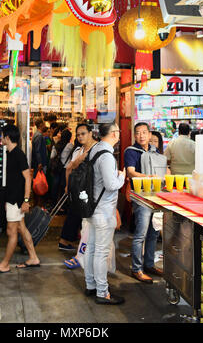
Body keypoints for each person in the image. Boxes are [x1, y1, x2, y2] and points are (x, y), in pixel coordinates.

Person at [0, 124, 40, 275]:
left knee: (11, 232)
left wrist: (26, 201)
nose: (0, 138)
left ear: (7, 138)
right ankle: (33, 257)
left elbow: (28, 178)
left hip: (17, 201)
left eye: (2, 136)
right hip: (12, 199)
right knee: (21, 228)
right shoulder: (10, 153)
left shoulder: (18, 154)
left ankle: (4, 264)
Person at [84, 122, 125, 305]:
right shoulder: (107, 155)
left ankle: (90, 284)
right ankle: (102, 292)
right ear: (115, 134)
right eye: (118, 131)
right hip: (104, 210)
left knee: (91, 248)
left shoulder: (95, 149)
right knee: (100, 251)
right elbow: (111, 185)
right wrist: (122, 177)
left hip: (93, 208)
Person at [124, 122, 162, 283]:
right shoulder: (131, 151)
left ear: (149, 134)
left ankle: (149, 264)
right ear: (134, 135)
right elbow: (131, 172)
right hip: (140, 197)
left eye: (144, 133)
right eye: (138, 133)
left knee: (153, 233)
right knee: (140, 234)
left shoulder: (154, 151)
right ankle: (136, 269)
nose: (141, 136)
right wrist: (148, 178)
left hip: (155, 196)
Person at [58, 123, 97, 251]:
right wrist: (68, 186)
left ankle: (75, 242)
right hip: (79, 189)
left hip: (91, 190)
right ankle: (74, 244)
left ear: (90, 133)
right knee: (77, 215)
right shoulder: (79, 151)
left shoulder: (97, 149)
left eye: (83, 134)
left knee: (79, 216)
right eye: (78, 135)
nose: (80, 137)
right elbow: (69, 168)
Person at [49, 128, 73, 206]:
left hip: (57, 167)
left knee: (55, 186)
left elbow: (52, 156)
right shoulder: (70, 145)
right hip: (66, 169)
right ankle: (62, 205)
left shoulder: (56, 145)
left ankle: (53, 203)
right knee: (64, 187)